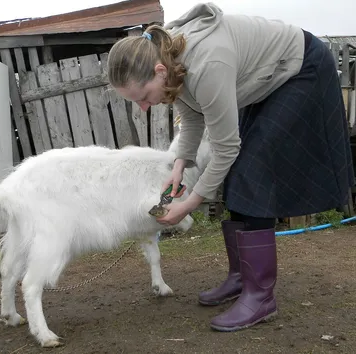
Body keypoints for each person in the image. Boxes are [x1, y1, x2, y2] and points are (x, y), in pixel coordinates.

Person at [107, 2, 354, 332]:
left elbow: (225, 148)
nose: (142, 107)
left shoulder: (208, 63)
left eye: (143, 95)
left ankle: (261, 297)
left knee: (252, 168)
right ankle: (242, 278)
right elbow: (193, 118)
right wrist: (179, 166)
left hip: (300, 68)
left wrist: (189, 205)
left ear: (159, 72)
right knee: (240, 170)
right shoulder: (168, 61)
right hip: (266, 77)